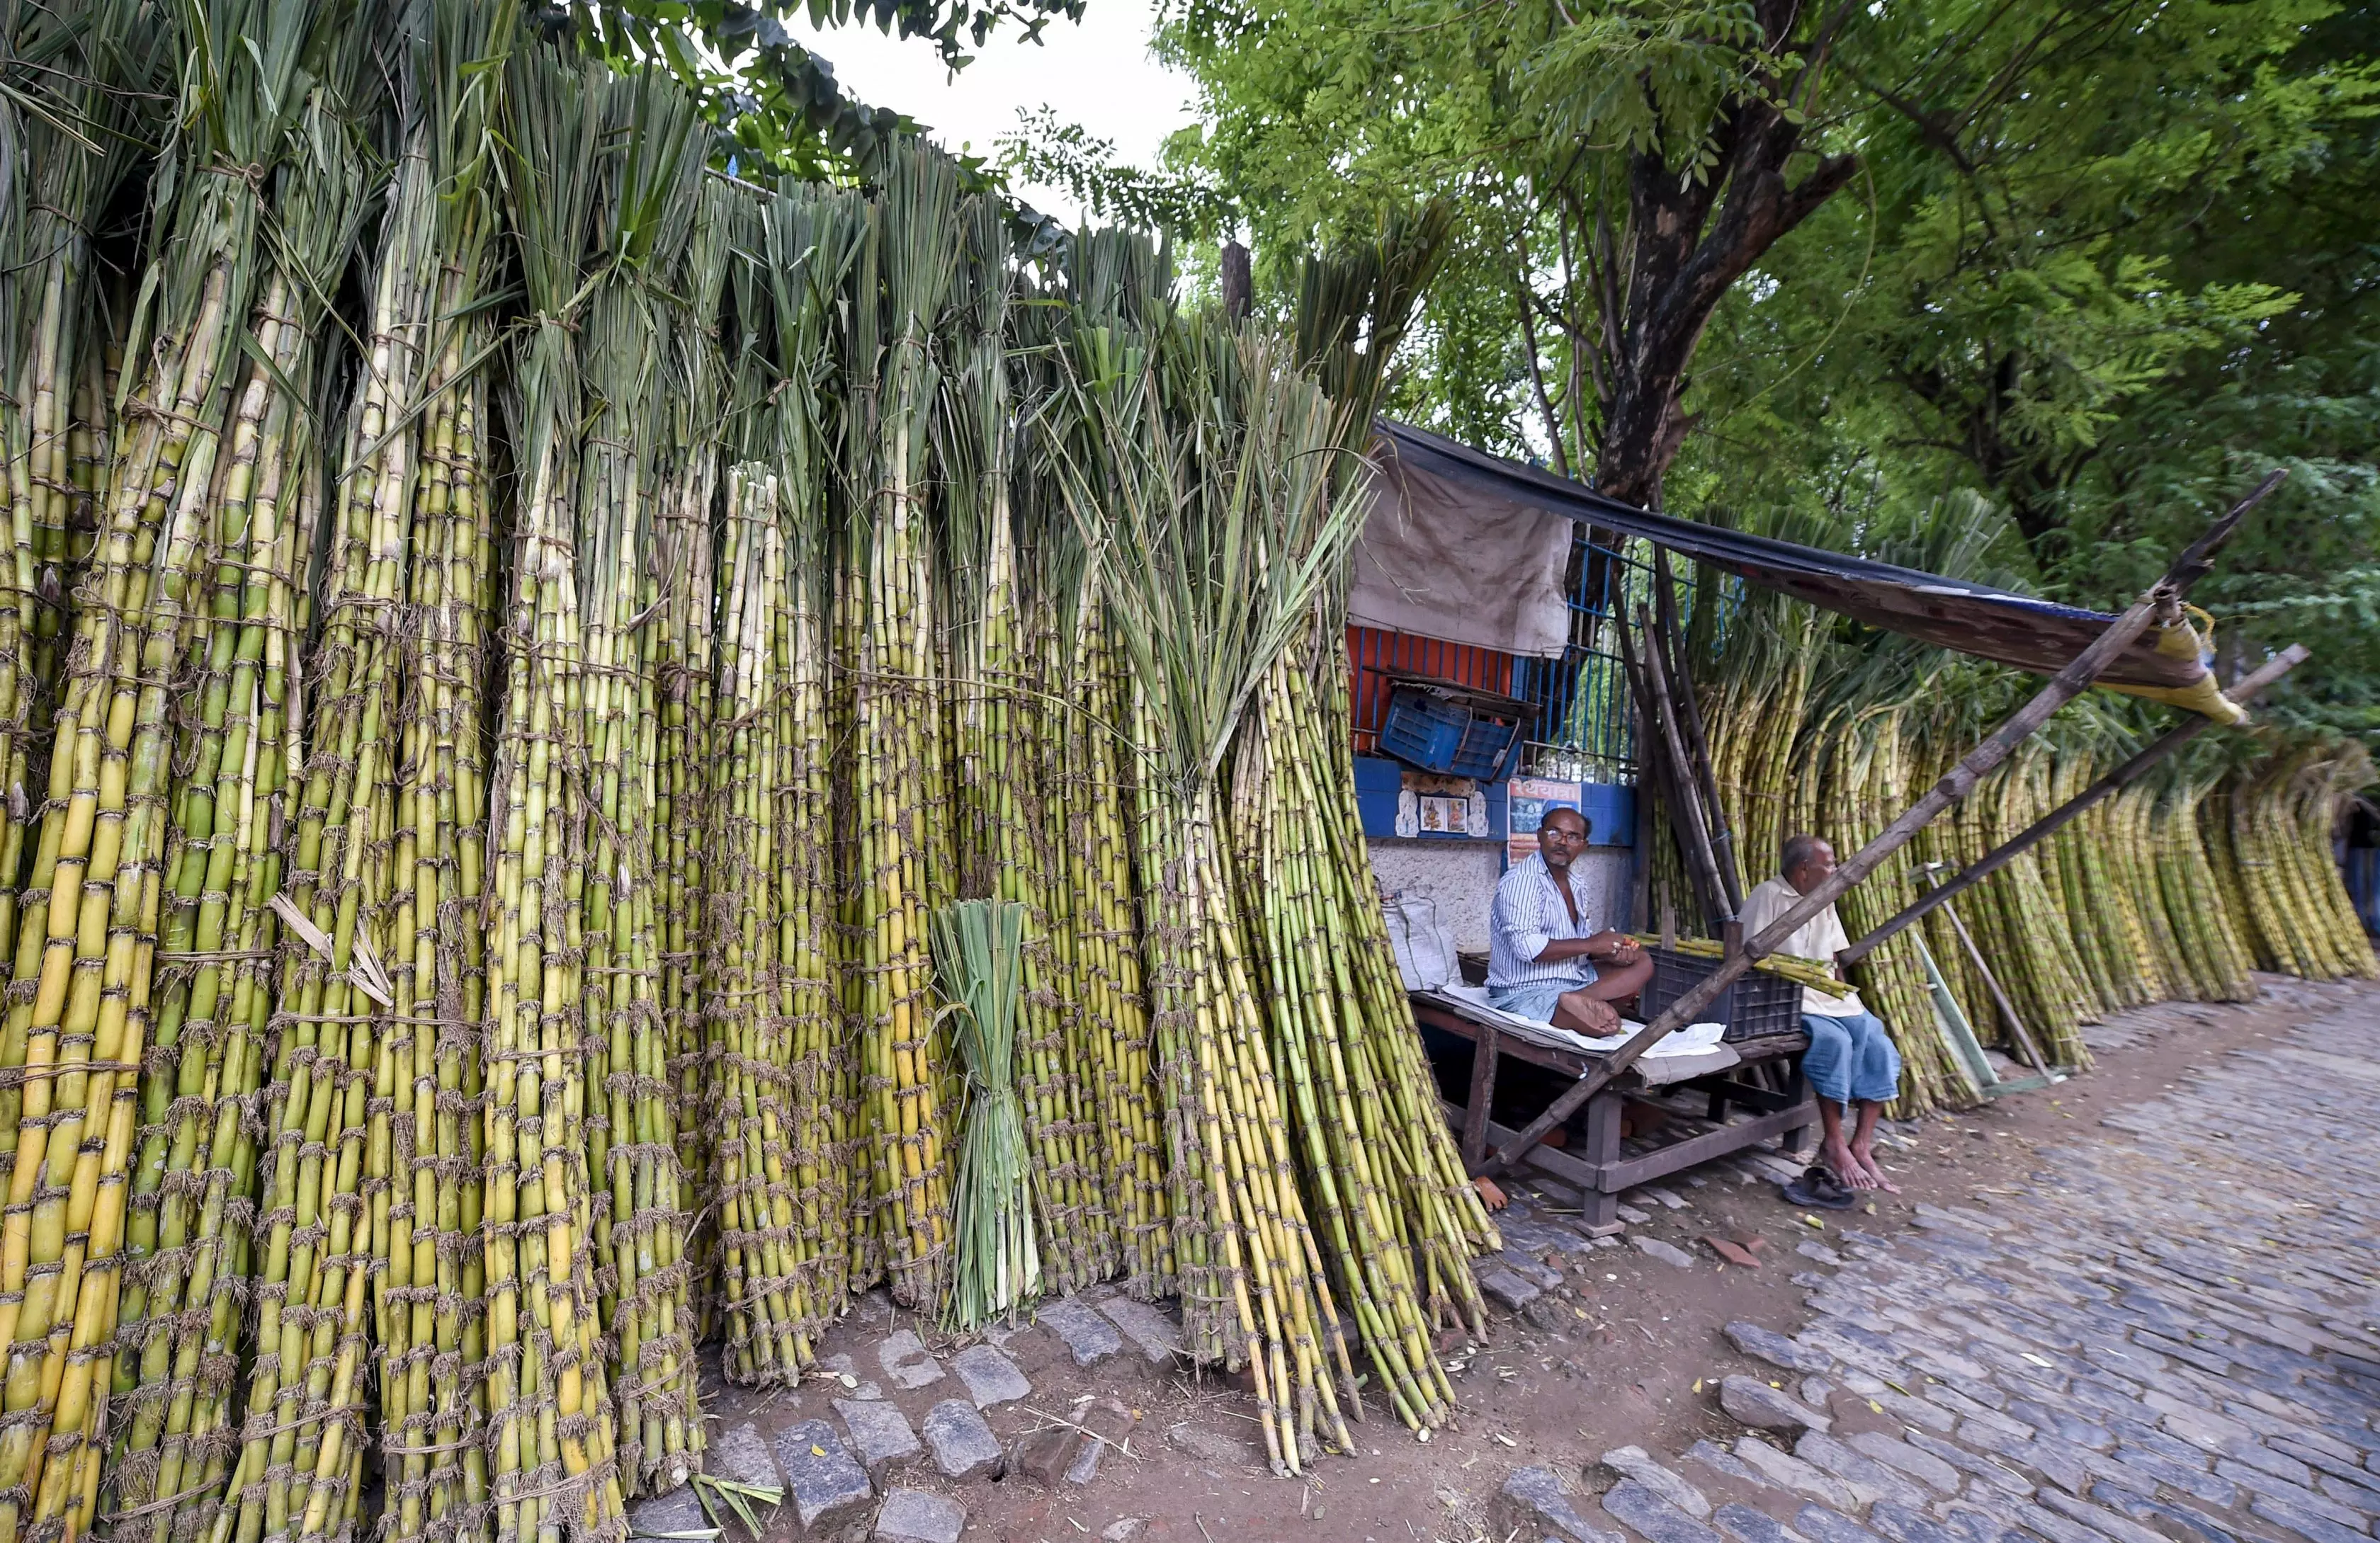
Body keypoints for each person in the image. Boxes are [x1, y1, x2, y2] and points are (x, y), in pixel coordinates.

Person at [1739, 833, 1902, 1195]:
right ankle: (1833, 1143)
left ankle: (1860, 1143)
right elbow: (1743, 955)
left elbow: (1834, 957)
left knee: (1877, 1040)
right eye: (1828, 864)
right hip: (1784, 996)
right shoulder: (1768, 895)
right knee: (1835, 1042)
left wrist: (1847, 999)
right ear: (1803, 869)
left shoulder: (1824, 899)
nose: (1836, 869)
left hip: (1827, 995)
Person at [1485, 807, 1653, 1036]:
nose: (1563, 842)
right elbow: (1527, 948)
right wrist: (1592, 944)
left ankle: (1578, 999)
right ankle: (1576, 1003)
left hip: (1573, 979)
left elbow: (1578, 945)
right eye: (1555, 833)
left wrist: (1609, 952)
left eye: (1573, 837)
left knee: (1642, 961)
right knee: (1608, 1026)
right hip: (1524, 991)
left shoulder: (1576, 882)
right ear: (1540, 836)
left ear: (1584, 845)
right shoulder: (1522, 881)